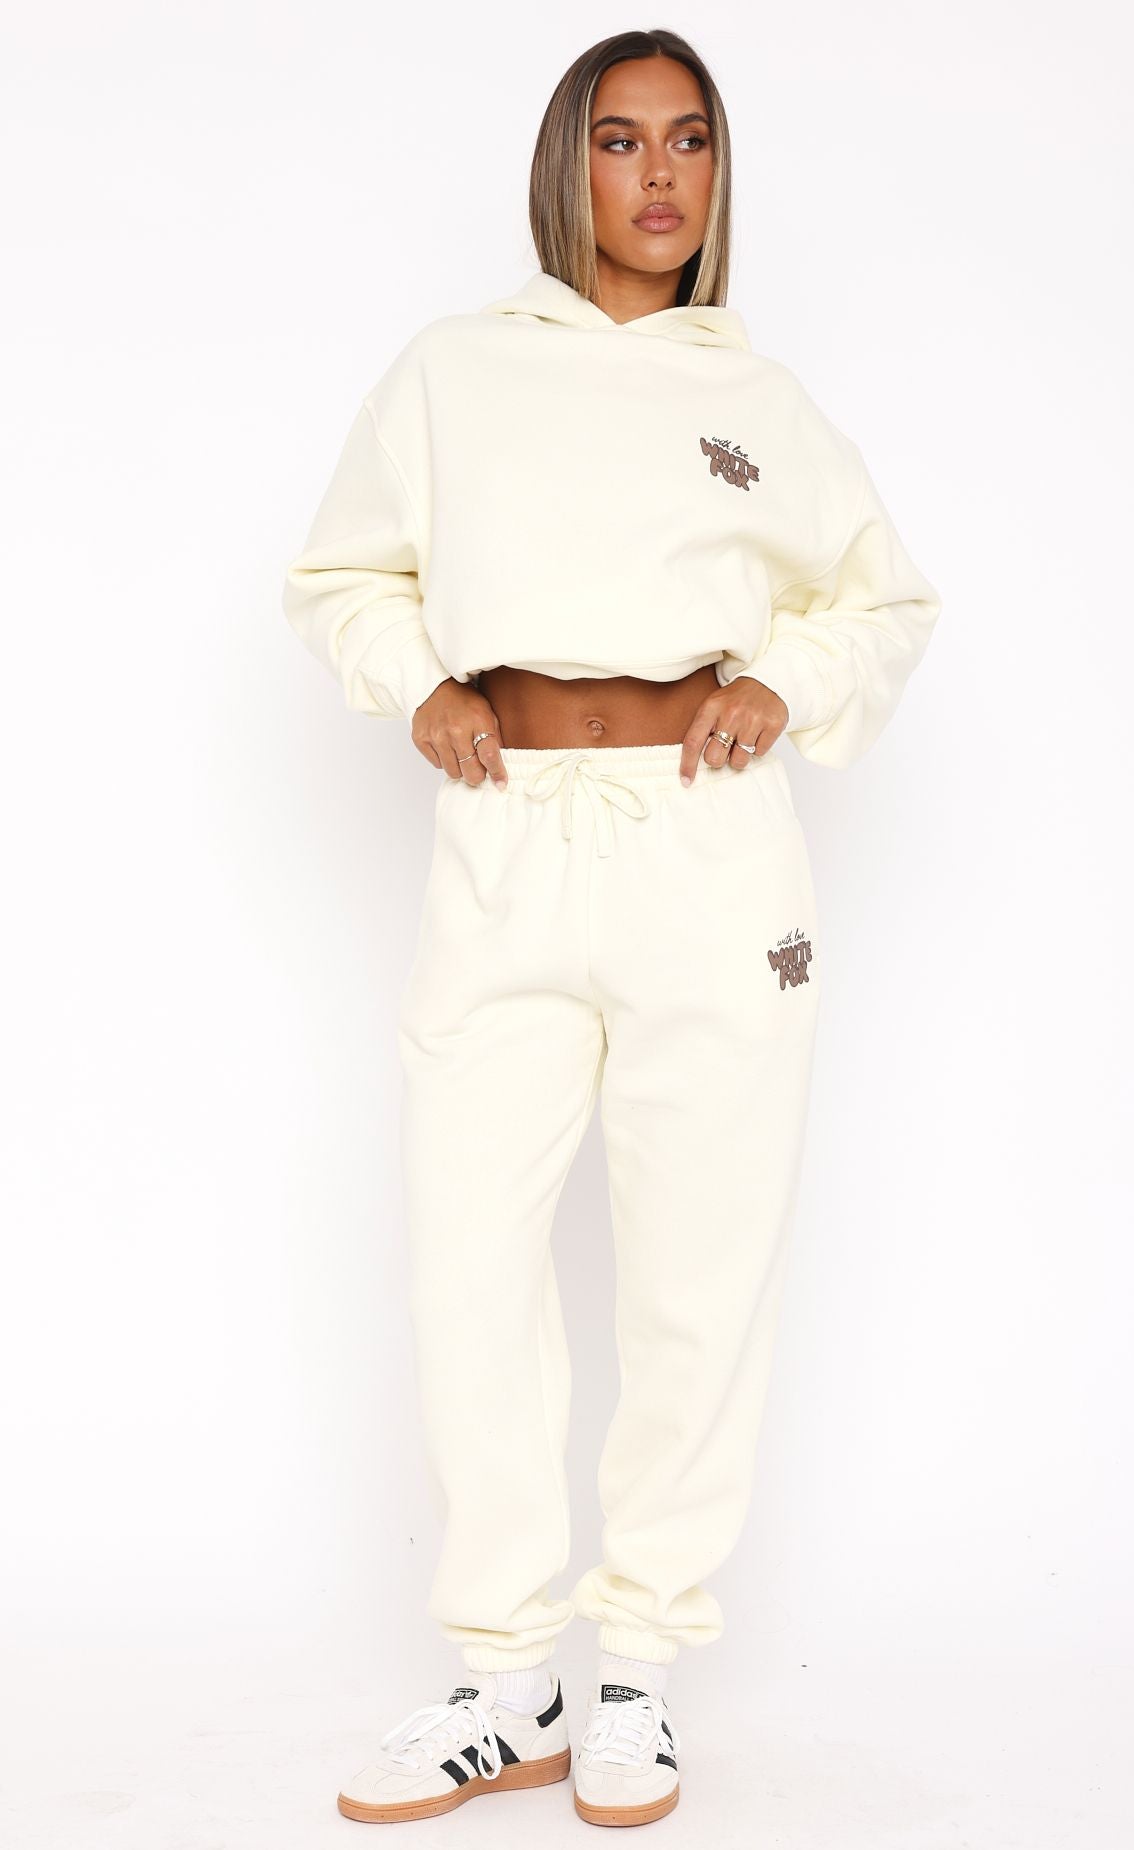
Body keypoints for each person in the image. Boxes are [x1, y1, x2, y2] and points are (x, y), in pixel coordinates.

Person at [282, 26, 941, 1831]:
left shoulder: (763, 401)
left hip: (709, 854)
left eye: (693, 142)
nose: (660, 177)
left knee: (699, 1265)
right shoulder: (455, 371)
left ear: (720, 175)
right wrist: (419, 684)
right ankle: (510, 1680)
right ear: (566, 160)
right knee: (467, 1257)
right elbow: (340, 574)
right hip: (505, 835)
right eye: (626, 139)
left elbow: (883, 600)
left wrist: (789, 680)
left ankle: (637, 1670)